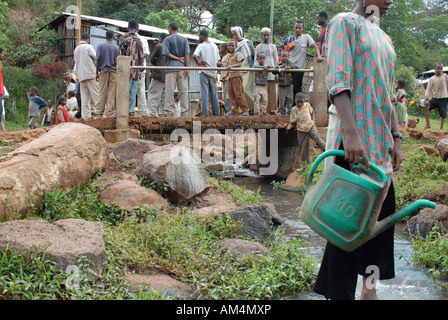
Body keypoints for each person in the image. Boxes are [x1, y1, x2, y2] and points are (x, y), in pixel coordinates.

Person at [313, 0, 402, 300]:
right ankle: (338, 295)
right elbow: (338, 83)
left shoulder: (384, 38)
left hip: (379, 146)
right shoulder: (344, 23)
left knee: (378, 224)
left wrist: (397, 137)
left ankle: (369, 293)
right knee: (345, 226)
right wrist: (351, 134)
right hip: (352, 145)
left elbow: (388, 94)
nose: (390, 1)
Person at [283, 20, 323, 98]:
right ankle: (285, 107)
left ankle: (297, 106)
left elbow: (315, 45)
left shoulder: (306, 37)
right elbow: (284, 51)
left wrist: (319, 56)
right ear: (294, 28)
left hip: (299, 68)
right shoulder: (290, 39)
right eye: (296, 27)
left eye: (300, 28)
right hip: (289, 66)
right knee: (286, 87)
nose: (298, 29)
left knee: (297, 88)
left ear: (302, 29)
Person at [163, 22, 190, 117]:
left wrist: (177, 58)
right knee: (183, 90)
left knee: (169, 90)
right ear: (177, 29)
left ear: (170, 28)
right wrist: (187, 68)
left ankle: (168, 112)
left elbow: (166, 53)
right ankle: (185, 112)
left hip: (171, 68)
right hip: (182, 68)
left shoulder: (167, 39)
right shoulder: (184, 39)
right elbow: (187, 54)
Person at [290, 92, 326, 163]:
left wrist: (313, 120)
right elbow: (291, 122)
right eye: (298, 102)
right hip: (301, 130)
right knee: (303, 147)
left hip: (310, 126)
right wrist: (296, 120)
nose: (300, 104)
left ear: (304, 101)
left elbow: (312, 112)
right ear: (295, 101)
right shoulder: (294, 110)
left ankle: (328, 151)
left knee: (317, 139)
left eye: (301, 102)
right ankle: (305, 164)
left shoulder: (307, 105)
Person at [119, 20, 144, 117]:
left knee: (123, 91)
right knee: (133, 93)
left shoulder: (123, 38)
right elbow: (141, 56)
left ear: (128, 28)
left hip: (124, 69)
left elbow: (120, 53)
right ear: (137, 29)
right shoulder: (139, 40)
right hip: (135, 70)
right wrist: (141, 70)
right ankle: (131, 111)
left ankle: (121, 111)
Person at [193, 29, 220, 116]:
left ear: (202, 36)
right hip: (213, 73)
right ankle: (217, 114)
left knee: (204, 94)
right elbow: (218, 60)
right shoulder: (215, 46)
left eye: (199, 36)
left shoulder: (201, 46)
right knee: (214, 95)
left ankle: (205, 113)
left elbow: (194, 55)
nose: (199, 38)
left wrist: (199, 64)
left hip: (204, 72)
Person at [73, 33, 99, 120]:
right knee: (96, 95)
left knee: (84, 98)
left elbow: (76, 64)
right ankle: (100, 115)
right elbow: (96, 58)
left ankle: (86, 117)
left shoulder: (76, 49)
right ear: (87, 40)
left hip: (81, 76)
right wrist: (97, 71)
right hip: (90, 74)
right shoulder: (88, 47)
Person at [255, 28, 279, 115]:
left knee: (273, 94)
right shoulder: (258, 47)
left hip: (272, 74)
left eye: (268, 35)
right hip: (262, 75)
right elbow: (255, 61)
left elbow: (276, 60)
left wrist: (276, 73)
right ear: (262, 36)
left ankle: (273, 111)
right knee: (263, 95)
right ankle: (263, 111)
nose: (266, 37)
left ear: (270, 36)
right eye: (264, 35)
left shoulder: (273, 47)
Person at [222, 39, 249, 116]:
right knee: (231, 94)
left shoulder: (238, 54)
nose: (230, 47)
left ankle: (245, 110)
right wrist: (225, 75)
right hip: (230, 76)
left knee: (238, 94)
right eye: (229, 46)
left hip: (237, 76)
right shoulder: (228, 56)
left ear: (236, 46)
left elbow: (240, 63)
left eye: (232, 45)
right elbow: (227, 67)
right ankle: (234, 111)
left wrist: (232, 66)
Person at [231, 26, 255, 112]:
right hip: (238, 70)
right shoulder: (235, 45)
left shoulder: (247, 43)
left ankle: (251, 108)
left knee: (246, 90)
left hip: (247, 70)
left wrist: (252, 68)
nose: (235, 37)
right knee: (238, 91)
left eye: (236, 35)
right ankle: (242, 110)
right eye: (233, 35)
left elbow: (251, 56)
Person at [96, 29, 119, 118]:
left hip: (103, 70)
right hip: (113, 71)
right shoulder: (116, 48)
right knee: (111, 92)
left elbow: (98, 59)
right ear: (113, 37)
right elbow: (117, 61)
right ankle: (109, 113)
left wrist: (96, 72)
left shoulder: (100, 46)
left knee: (102, 91)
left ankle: (99, 112)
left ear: (106, 37)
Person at [148, 33, 168, 117]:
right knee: (164, 95)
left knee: (153, 93)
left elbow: (152, 59)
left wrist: (156, 59)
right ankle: (162, 113)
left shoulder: (159, 46)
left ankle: (152, 113)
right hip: (167, 74)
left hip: (158, 73)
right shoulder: (169, 47)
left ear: (160, 38)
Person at [424, 62, 448, 131]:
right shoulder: (432, 78)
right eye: (438, 68)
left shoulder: (445, 76)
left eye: (441, 68)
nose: (439, 70)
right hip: (435, 98)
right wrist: (427, 99)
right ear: (434, 69)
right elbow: (428, 89)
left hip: (444, 97)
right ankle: (428, 124)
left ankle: (441, 128)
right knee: (426, 106)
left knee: (443, 114)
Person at [136, 28, 150, 116]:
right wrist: (139, 58)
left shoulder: (124, 38)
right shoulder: (143, 39)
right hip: (141, 69)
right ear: (138, 29)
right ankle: (143, 112)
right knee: (141, 90)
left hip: (129, 69)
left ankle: (128, 111)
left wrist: (134, 60)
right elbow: (147, 53)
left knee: (128, 90)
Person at [217, 42, 232, 113]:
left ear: (223, 48)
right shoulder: (223, 57)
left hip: (227, 78)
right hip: (224, 79)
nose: (219, 49)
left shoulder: (228, 56)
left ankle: (229, 111)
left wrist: (221, 64)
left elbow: (229, 66)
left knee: (227, 96)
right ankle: (227, 111)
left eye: (220, 48)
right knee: (225, 95)